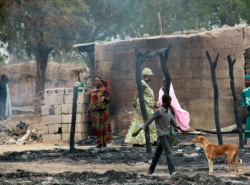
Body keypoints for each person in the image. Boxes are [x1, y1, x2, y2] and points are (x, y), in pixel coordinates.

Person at [132, 94, 185, 178]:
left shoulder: (168, 110)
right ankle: (172, 172)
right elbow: (149, 121)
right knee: (169, 153)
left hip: (167, 135)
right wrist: (138, 131)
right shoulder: (158, 111)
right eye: (169, 101)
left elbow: (173, 121)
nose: (170, 102)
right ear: (166, 101)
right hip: (162, 135)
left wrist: (180, 129)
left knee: (157, 154)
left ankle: (150, 171)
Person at [124, 68, 158, 147]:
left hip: (147, 105)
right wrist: (134, 100)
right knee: (149, 120)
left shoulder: (145, 84)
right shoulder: (142, 83)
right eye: (150, 76)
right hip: (143, 106)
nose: (151, 78)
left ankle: (148, 140)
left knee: (142, 121)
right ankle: (150, 140)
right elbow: (137, 91)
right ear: (146, 76)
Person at [157, 78, 190, 145]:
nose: (164, 84)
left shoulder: (170, 91)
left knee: (170, 126)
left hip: (170, 111)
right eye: (163, 82)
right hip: (162, 111)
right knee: (165, 127)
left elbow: (171, 101)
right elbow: (160, 100)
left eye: (166, 82)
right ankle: (168, 141)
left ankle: (173, 140)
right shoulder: (161, 91)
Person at [85, 75, 113, 148]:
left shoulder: (104, 90)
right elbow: (91, 102)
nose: (96, 82)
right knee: (96, 127)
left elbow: (109, 99)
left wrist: (104, 98)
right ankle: (99, 142)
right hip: (94, 111)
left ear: (101, 82)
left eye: (98, 81)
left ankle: (104, 143)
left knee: (103, 127)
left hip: (103, 111)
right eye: (95, 81)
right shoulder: (92, 91)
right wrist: (87, 112)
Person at [241, 74, 250, 145]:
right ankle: (245, 142)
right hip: (249, 111)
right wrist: (246, 111)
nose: (246, 82)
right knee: (247, 126)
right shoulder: (244, 91)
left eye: (248, 80)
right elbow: (243, 102)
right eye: (245, 80)